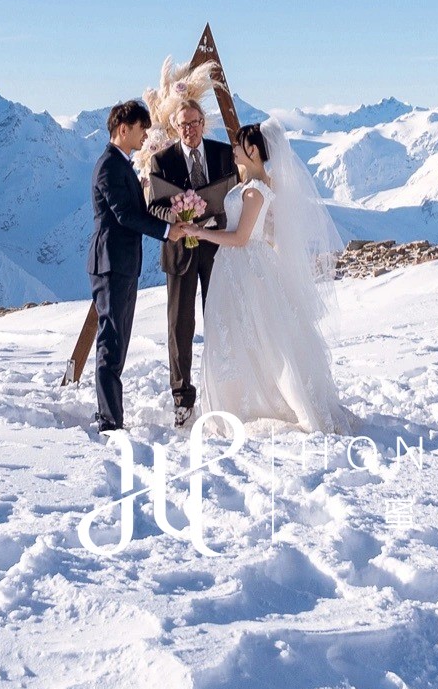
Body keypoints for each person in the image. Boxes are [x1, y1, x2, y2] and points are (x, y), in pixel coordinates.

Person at [171, 119, 352, 432]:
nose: (235, 149)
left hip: (243, 267)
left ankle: (255, 402)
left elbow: (243, 238)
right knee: (245, 333)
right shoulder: (252, 186)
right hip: (238, 266)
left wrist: (201, 233)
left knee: (255, 334)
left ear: (253, 149)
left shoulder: (255, 191)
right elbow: (256, 231)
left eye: (240, 144)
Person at [146, 86, 235, 429]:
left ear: (203, 123)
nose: (189, 130)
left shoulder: (223, 154)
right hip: (180, 252)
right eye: (183, 125)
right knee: (180, 327)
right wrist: (179, 218)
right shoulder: (162, 160)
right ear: (175, 126)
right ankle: (182, 399)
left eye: (194, 123)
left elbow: (235, 194)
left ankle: (224, 389)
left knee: (221, 321)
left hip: (216, 249)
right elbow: (154, 204)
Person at [86, 99, 167, 433]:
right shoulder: (109, 167)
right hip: (111, 264)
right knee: (112, 339)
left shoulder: (121, 165)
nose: (145, 135)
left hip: (122, 264)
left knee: (118, 338)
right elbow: (125, 215)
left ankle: (111, 414)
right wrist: (166, 230)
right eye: (140, 129)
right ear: (123, 129)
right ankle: (108, 418)